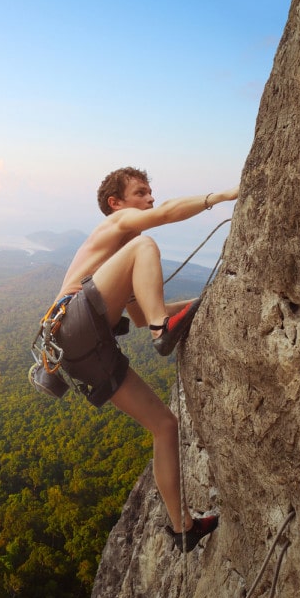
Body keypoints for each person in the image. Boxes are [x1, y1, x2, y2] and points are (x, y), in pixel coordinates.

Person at [52, 167, 238, 552]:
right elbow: (167, 214)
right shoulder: (118, 226)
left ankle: (181, 527)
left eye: (151, 193)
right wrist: (219, 197)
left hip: (82, 352)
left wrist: (209, 298)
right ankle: (164, 330)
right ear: (115, 203)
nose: (150, 199)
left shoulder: (119, 265)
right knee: (146, 244)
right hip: (73, 323)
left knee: (164, 426)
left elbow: (141, 317)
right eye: (141, 193)